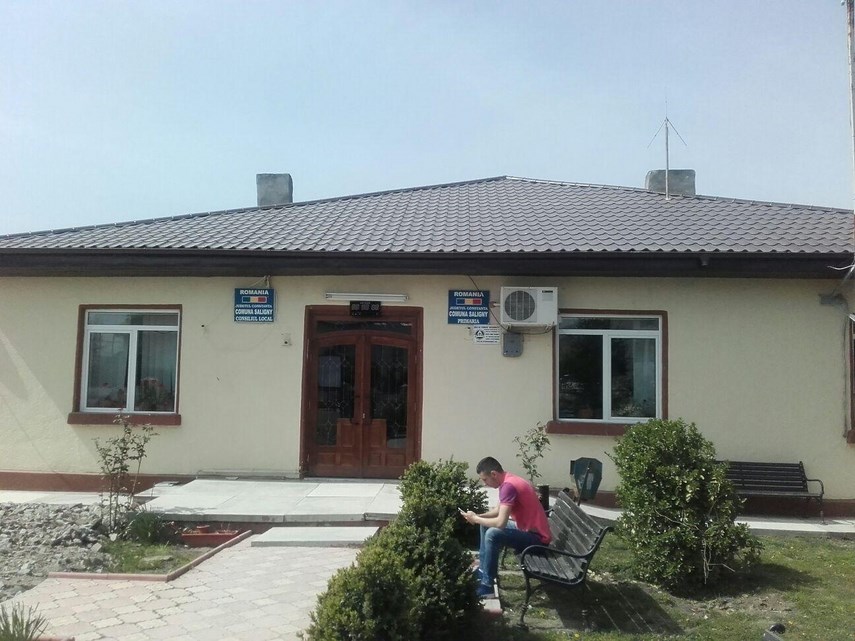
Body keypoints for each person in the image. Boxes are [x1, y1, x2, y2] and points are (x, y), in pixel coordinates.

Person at [460, 456, 552, 598]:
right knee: (485, 526)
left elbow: (500, 523)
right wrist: (477, 516)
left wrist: (476, 519)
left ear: (493, 474)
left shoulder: (508, 486)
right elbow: (497, 512)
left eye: (485, 480)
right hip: (527, 531)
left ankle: (487, 587)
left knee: (492, 534)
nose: (485, 484)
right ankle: (483, 571)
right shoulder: (508, 480)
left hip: (538, 540)